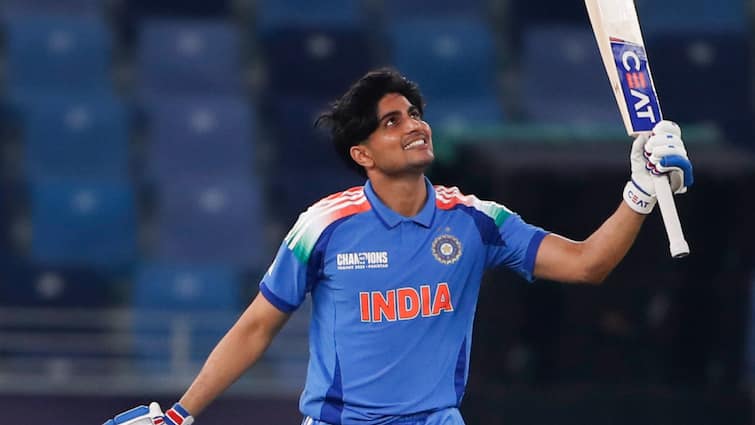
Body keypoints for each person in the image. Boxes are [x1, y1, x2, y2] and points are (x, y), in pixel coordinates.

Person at [104, 68, 693, 425]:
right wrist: (179, 414)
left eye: (414, 114)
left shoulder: (476, 221)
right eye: (391, 122)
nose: (413, 125)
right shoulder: (323, 226)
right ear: (362, 154)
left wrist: (640, 192)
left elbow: (589, 264)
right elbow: (257, 327)